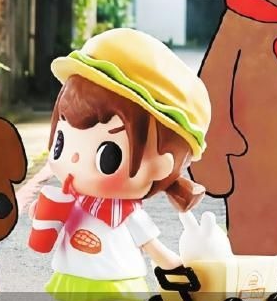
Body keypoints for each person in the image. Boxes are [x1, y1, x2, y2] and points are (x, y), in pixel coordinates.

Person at [28, 28, 211, 300]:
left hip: (116, 285)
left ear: (161, 165)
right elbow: (44, 221)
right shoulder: (71, 200)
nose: (74, 159)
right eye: (61, 142)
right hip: (70, 280)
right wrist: (40, 213)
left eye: (107, 155)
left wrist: (176, 267)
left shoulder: (126, 213)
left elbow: (153, 247)